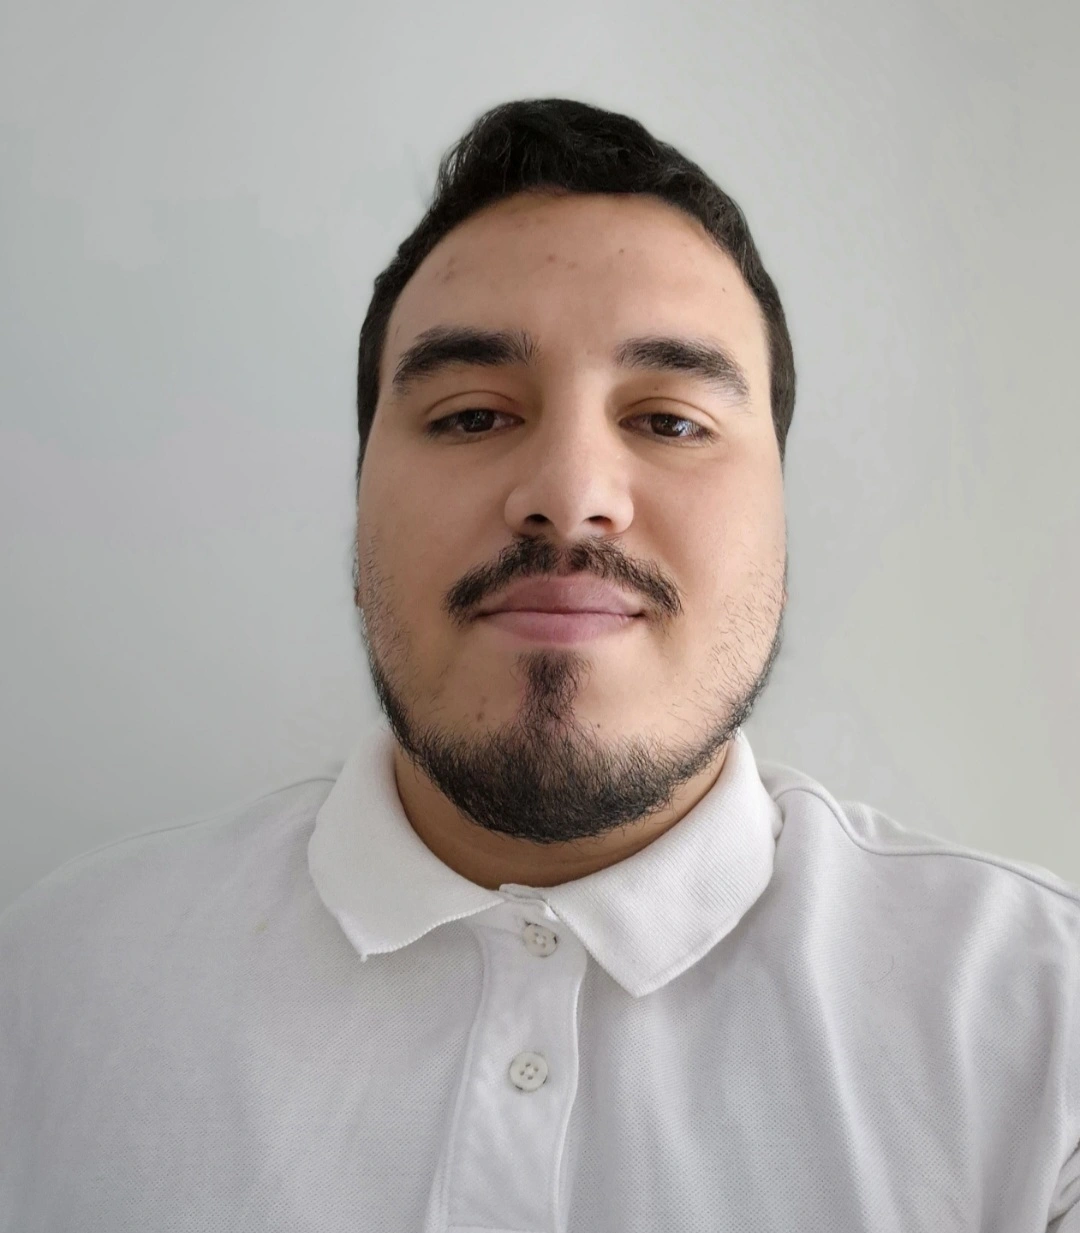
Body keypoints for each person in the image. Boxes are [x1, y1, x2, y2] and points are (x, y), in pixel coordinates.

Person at [1, 96, 1078, 1232]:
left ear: (782, 527)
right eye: (472, 416)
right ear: (359, 513)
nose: (569, 494)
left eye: (670, 421)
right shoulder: (53, 996)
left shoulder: (1044, 1035)